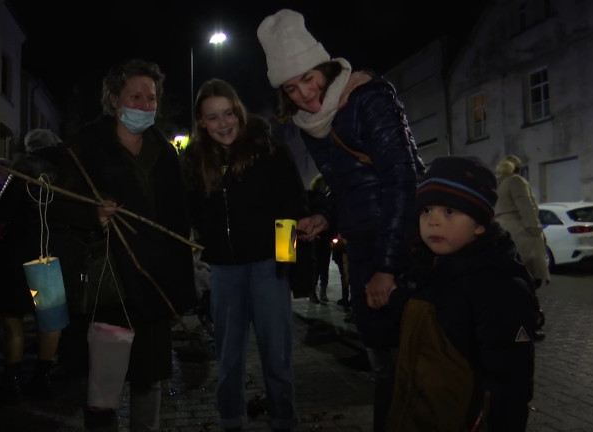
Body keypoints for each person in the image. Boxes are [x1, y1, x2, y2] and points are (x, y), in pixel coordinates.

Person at [257, 9, 425, 431]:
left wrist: (388, 267)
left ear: (326, 69)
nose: (304, 95)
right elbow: (348, 187)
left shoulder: (368, 98)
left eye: (308, 80)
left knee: (410, 362)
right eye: (292, 89)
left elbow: (402, 178)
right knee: (382, 358)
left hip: (399, 245)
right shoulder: (311, 124)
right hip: (363, 245)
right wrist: (323, 214)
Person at [64, 58, 196, 432]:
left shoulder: (165, 152)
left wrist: (179, 283)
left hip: (153, 279)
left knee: (148, 377)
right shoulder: (84, 146)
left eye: (151, 98)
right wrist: (93, 214)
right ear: (113, 99)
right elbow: (60, 203)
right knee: (104, 383)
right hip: (109, 280)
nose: (144, 105)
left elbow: (177, 220)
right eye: (135, 96)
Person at [181, 78, 306, 432]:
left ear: (239, 112)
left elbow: (292, 209)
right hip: (223, 272)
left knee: (277, 356)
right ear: (201, 123)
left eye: (228, 114)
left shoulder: (270, 151)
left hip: (269, 267)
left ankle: (283, 421)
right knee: (228, 358)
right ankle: (230, 421)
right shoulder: (195, 161)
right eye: (212, 118)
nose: (223, 124)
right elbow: (186, 213)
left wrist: (286, 263)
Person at [386, 156, 536, 431]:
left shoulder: (499, 288)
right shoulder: (424, 271)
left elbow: (510, 381)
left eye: (450, 212)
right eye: (426, 210)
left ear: (479, 224)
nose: (433, 221)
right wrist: (396, 302)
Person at [0, 128, 70, 403]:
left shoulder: (25, 166)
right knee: (49, 318)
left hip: (19, 250)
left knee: (12, 317)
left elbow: (2, 208)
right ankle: (42, 376)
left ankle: (10, 380)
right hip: (50, 251)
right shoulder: (69, 168)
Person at [495, 155, 549, 340]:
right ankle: (529, 325)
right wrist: (536, 230)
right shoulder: (516, 181)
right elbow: (527, 208)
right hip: (522, 234)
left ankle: (514, 324)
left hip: (504, 232)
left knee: (512, 283)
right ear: (518, 169)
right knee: (529, 282)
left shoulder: (498, 184)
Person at [308, 174, 334, 304]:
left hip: (324, 237)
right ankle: (314, 292)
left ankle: (321, 292)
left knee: (323, 266)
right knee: (317, 266)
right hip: (316, 237)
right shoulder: (313, 197)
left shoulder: (327, 198)